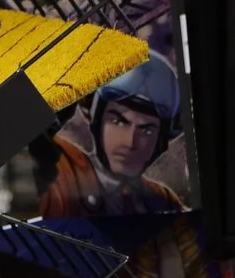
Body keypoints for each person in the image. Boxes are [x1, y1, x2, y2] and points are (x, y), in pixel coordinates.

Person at [39, 54, 184, 215]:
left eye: (146, 130)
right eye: (118, 122)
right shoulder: (62, 168)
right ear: (95, 117)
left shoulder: (162, 201)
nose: (130, 142)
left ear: (161, 140)